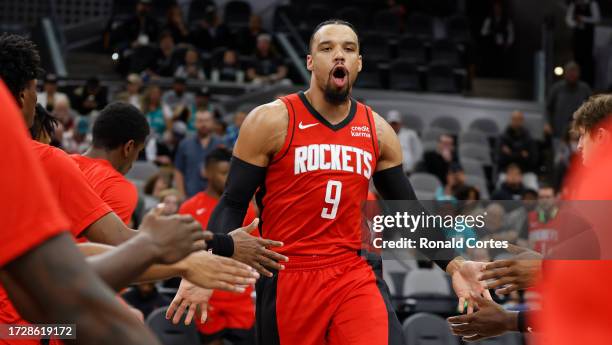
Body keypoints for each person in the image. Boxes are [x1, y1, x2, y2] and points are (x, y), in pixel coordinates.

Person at [167, 20, 492, 345]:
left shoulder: (378, 131)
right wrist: (204, 264)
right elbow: (233, 202)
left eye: (349, 49)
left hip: (353, 271)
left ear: (359, 63)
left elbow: (408, 212)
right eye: (327, 48)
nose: (339, 56)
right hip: (288, 273)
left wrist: (455, 264)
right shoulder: (271, 120)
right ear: (310, 61)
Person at [176, 148, 257, 345]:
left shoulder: (247, 210)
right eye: (222, 173)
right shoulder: (189, 208)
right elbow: (184, 253)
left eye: (230, 174)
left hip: (239, 298)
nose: (228, 179)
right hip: (206, 296)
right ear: (207, 172)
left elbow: (253, 250)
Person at [174, 110, 223, 198]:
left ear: (212, 122)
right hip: (191, 196)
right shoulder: (185, 144)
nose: (203, 124)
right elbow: (178, 171)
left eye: (207, 120)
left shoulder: (221, 144)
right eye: (200, 121)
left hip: (216, 197)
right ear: (195, 123)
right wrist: (181, 195)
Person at [547, 61, 592, 138]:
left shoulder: (585, 89)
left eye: (574, 71)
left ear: (579, 73)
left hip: (579, 132)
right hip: (558, 129)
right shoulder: (557, 88)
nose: (572, 74)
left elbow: (592, 108)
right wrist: (547, 123)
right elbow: (548, 108)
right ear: (565, 73)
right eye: (570, 71)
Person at [566, 0, 601, 85]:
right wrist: (575, 23)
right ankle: (575, 80)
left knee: (588, 60)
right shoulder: (574, 4)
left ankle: (588, 83)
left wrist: (583, 19)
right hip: (577, 36)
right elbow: (568, 19)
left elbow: (597, 19)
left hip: (588, 37)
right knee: (577, 58)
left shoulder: (592, 3)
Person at [480, 0, 515, 77]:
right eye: (495, 8)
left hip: (502, 46)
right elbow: (483, 32)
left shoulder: (506, 20)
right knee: (491, 62)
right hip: (492, 46)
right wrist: (492, 32)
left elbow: (511, 34)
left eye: (499, 8)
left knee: (502, 63)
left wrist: (508, 44)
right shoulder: (489, 20)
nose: (497, 10)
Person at [497, 111, 537, 178]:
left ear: (522, 121)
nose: (516, 122)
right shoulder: (502, 137)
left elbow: (533, 160)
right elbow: (499, 159)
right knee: (501, 183)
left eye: (519, 119)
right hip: (506, 171)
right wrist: (521, 155)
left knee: (532, 186)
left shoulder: (529, 138)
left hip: (525, 172)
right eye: (514, 119)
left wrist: (510, 154)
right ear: (511, 120)